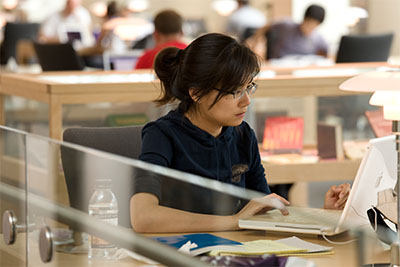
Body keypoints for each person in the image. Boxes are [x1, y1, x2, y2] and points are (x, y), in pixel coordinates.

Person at [130, 33, 350, 233]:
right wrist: (234, 221)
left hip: (236, 252)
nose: (247, 101)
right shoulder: (162, 135)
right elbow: (143, 217)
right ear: (196, 93)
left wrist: (325, 214)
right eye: (235, 92)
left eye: (249, 87)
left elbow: (267, 211)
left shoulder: (243, 135)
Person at [247, 4, 328, 60]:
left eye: (314, 26)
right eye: (308, 24)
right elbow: (265, 27)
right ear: (304, 19)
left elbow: (326, 54)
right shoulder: (286, 26)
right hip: (278, 64)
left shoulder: (318, 38)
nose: (310, 28)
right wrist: (255, 40)